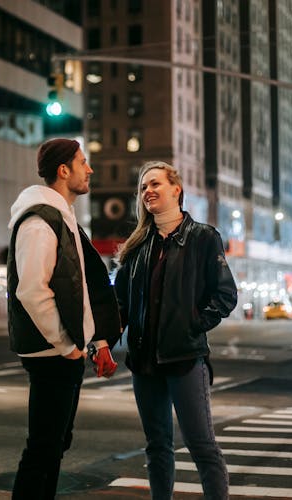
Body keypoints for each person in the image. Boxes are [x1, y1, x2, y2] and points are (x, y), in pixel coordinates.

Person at [114, 161, 237, 500]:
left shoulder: (203, 238)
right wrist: (104, 342)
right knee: (157, 447)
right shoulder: (137, 246)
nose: (148, 191)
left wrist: (193, 325)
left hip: (185, 358)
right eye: (143, 187)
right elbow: (120, 303)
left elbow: (226, 294)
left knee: (202, 445)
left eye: (155, 184)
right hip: (144, 362)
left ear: (175, 189)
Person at [7, 138, 121, 499]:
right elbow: (32, 290)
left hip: (65, 353)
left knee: (55, 445)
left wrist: (95, 340)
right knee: (42, 449)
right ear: (63, 170)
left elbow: (82, 288)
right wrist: (66, 344)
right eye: (83, 163)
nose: (89, 170)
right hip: (52, 354)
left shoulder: (63, 218)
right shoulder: (41, 222)